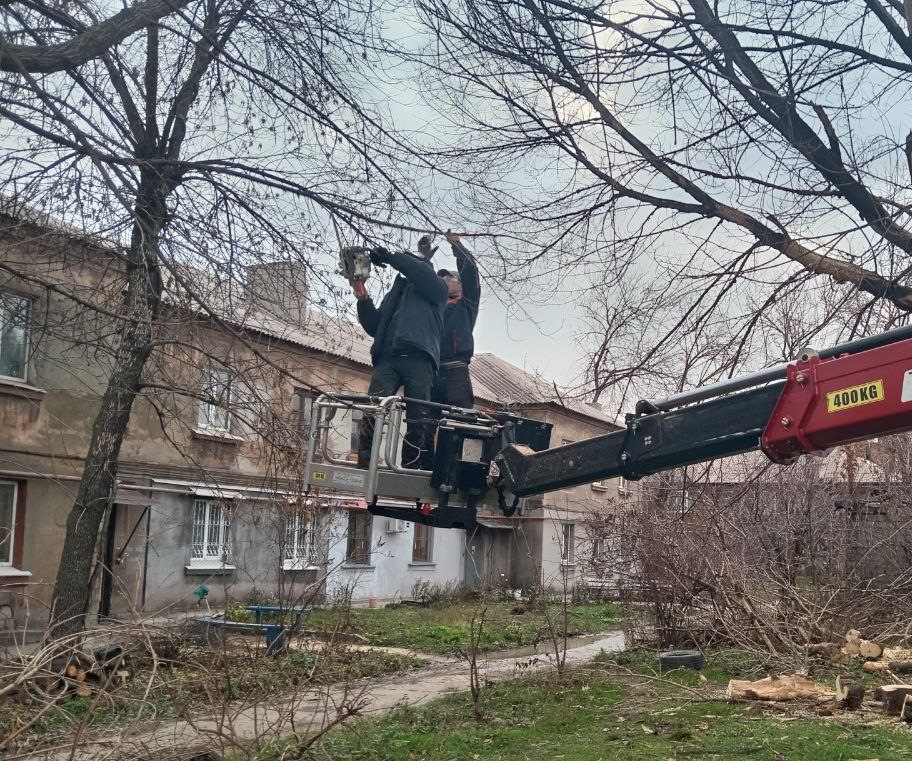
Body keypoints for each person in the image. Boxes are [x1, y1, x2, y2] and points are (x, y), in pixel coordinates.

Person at [353, 236, 448, 470]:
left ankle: (410, 466)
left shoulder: (436, 289)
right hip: (388, 357)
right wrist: (363, 298)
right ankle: (365, 463)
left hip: (419, 357)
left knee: (418, 419)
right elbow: (375, 326)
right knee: (373, 409)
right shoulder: (395, 294)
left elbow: (419, 271)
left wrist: (392, 257)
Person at [432, 232, 481, 409]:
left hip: (455, 369)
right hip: (431, 369)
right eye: (440, 278)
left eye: (448, 278)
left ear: (459, 283)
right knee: (425, 421)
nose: (443, 281)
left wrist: (457, 247)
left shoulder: (467, 304)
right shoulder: (433, 307)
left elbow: (470, 273)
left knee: (457, 420)